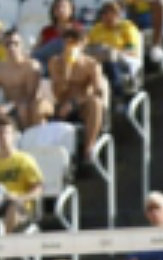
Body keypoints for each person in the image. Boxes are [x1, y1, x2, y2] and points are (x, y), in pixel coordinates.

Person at [48, 27, 107, 161]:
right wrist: (66, 71)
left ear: (82, 44)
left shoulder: (91, 64)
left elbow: (98, 91)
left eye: (74, 42)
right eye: (67, 41)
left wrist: (74, 103)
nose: (69, 45)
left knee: (96, 104)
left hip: (81, 104)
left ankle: (89, 148)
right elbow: (57, 93)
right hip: (62, 103)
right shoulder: (55, 62)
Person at [0, 28, 48, 130]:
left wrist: (11, 105)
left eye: (15, 43)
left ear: (21, 45)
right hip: (8, 104)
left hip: (28, 104)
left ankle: (26, 138)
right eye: (8, 44)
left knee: (23, 109)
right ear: (3, 47)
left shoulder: (31, 66)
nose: (12, 47)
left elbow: (31, 96)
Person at [0, 117, 44, 211]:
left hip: (19, 205)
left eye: (7, 132)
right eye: (0, 133)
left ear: (14, 135)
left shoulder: (25, 160)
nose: (3, 136)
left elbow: (38, 189)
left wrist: (19, 197)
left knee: (13, 207)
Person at [86, 1, 144, 97]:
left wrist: (114, 52)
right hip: (100, 59)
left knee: (110, 63)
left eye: (112, 13)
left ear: (119, 14)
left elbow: (132, 51)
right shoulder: (97, 28)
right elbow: (88, 47)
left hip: (123, 60)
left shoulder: (127, 27)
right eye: (105, 13)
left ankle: (118, 96)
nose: (108, 16)